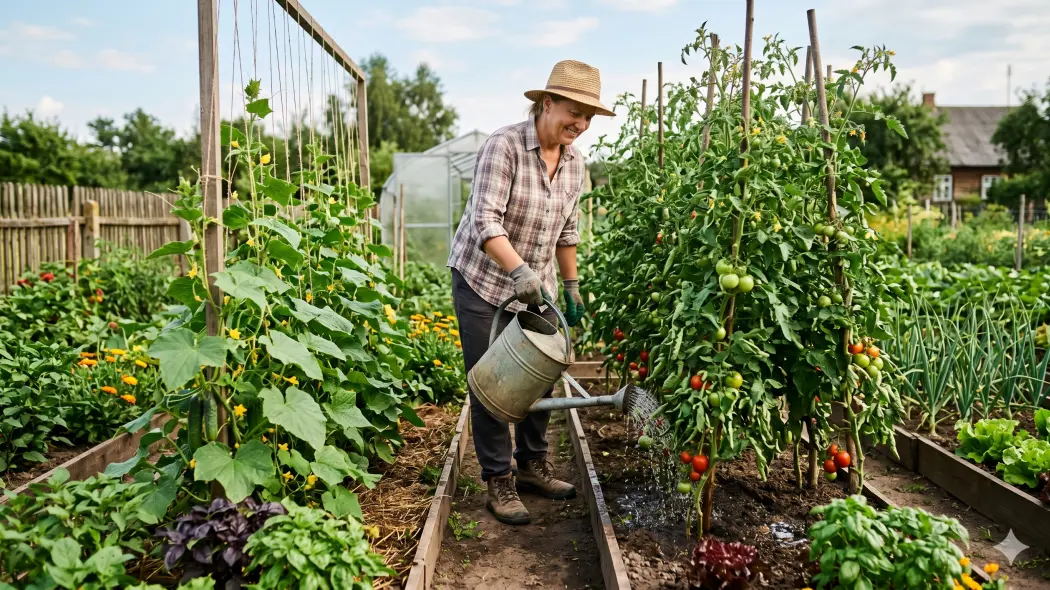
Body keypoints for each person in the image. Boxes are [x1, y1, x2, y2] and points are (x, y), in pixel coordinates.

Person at [446, 59, 615, 525]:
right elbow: (486, 221)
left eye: (589, 117)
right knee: (491, 381)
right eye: (574, 111)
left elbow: (567, 232)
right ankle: (498, 478)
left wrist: (573, 285)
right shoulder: (503, 147)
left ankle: (532, 466)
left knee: (542, 370)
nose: (580, 124)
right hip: (483, 279)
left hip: (534, 283)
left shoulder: (575, 163)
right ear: (546, 102)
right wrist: (519, 269)